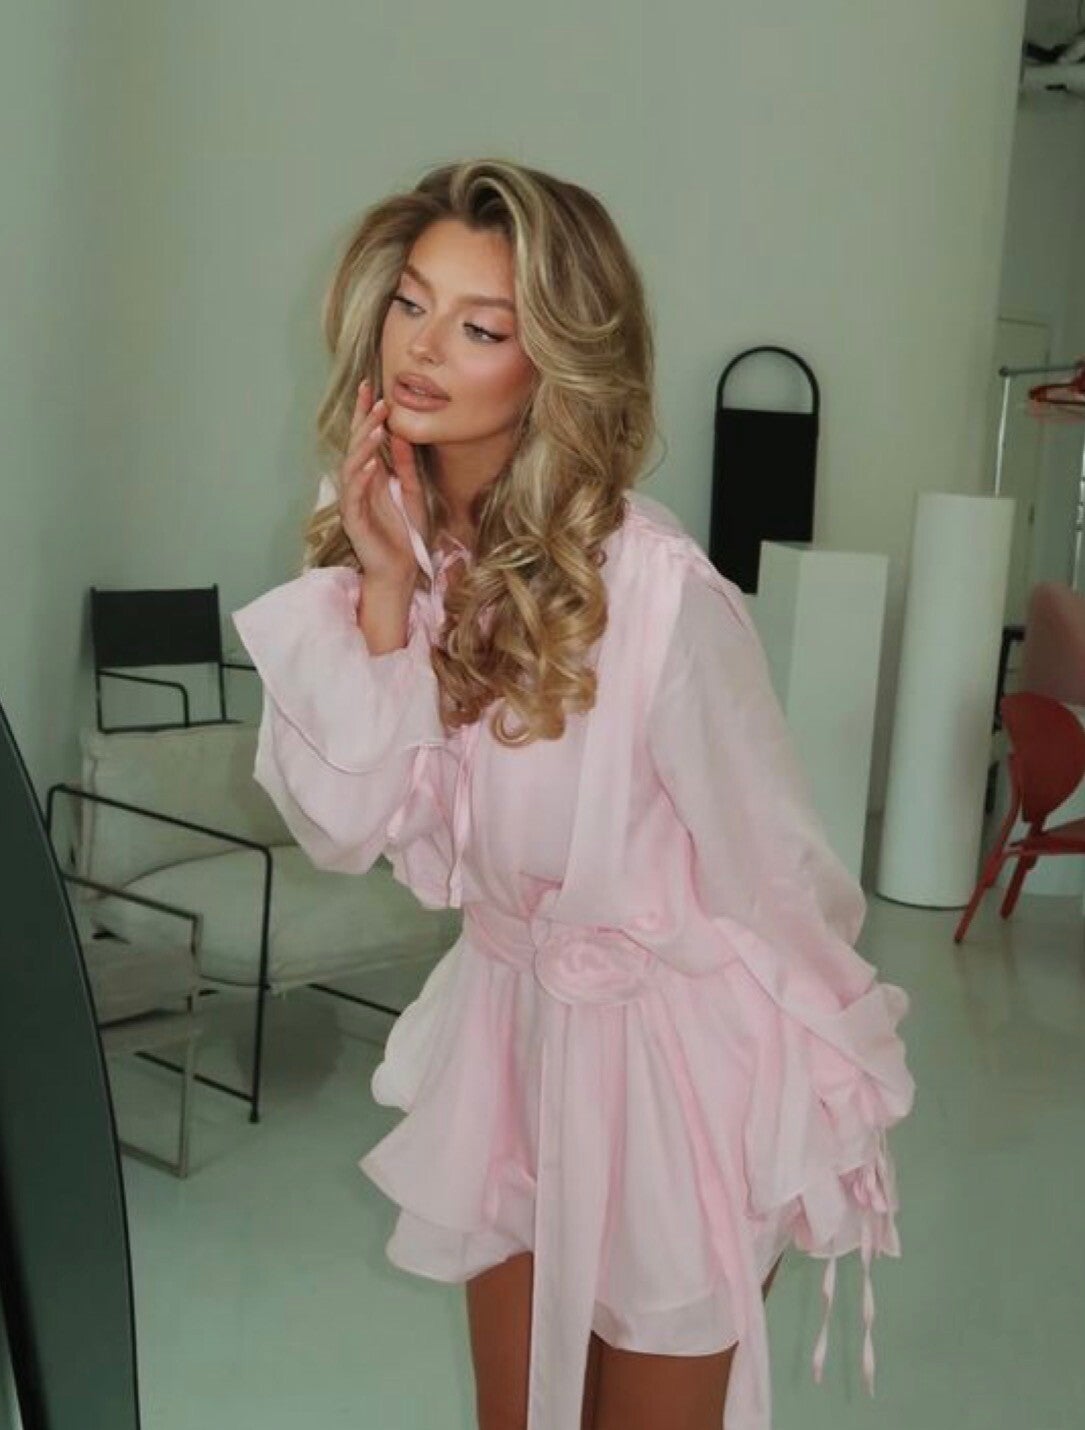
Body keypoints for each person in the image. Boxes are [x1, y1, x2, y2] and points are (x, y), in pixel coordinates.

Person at [231, 158, 914, 1430]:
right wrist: (385, 590)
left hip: (675, 1063)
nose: (422, 347)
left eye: (480, 327)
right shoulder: (389, 532)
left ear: (554, 362)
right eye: (412, 303)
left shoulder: (656, 592)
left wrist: (836, 1089)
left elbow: (776, 870)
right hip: (512, 1028)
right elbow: (346, 826)